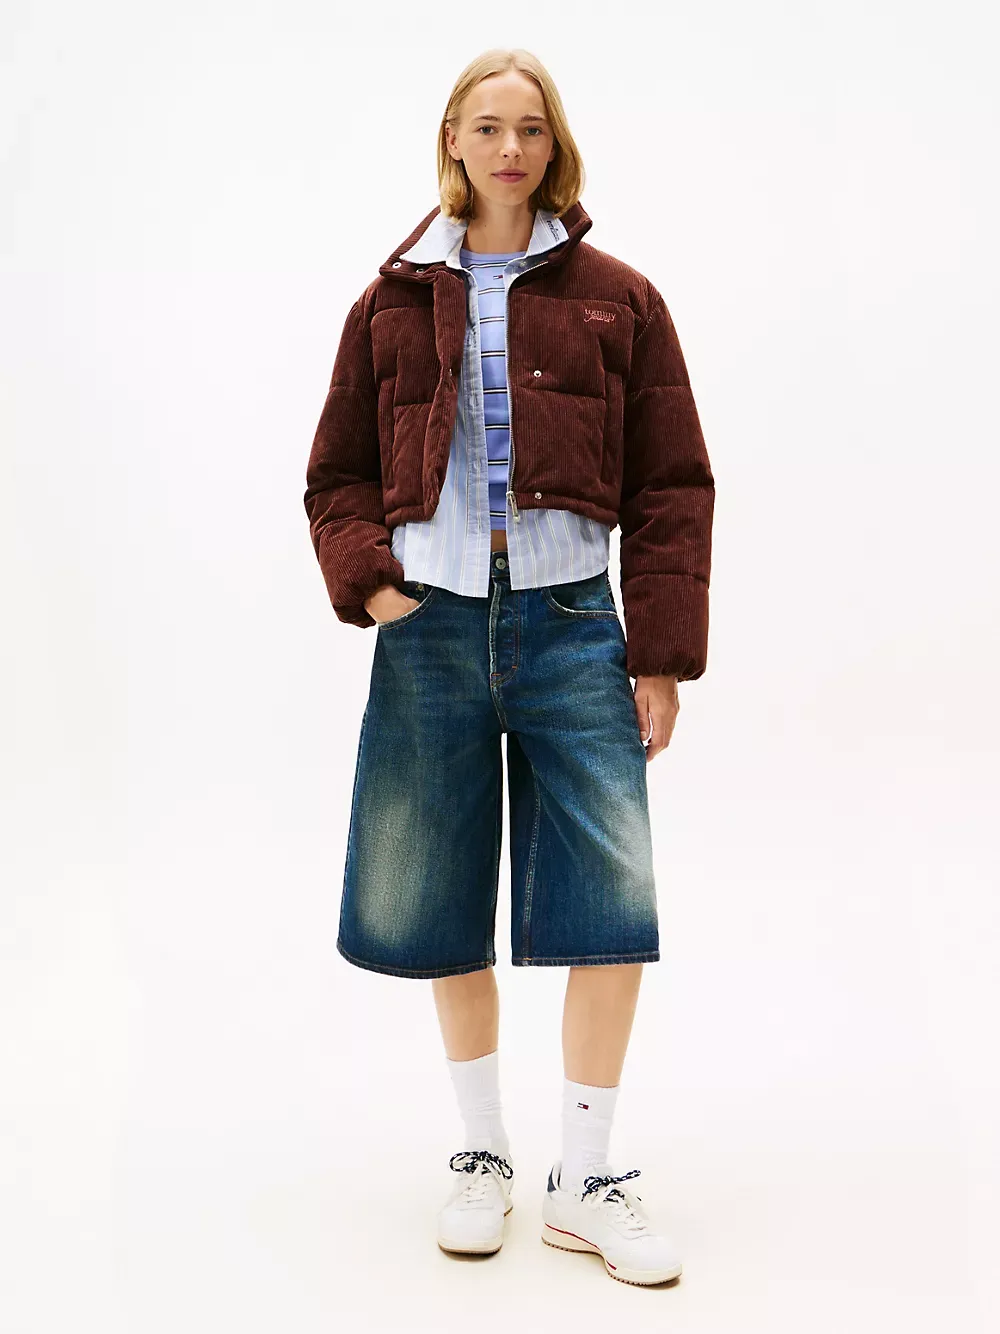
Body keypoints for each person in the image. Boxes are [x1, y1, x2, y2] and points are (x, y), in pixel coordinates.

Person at [303, 47, 714, 1287]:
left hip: (573, 623)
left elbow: (671, 484)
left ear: (554, 143)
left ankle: (584, 1176)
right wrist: (372, 579)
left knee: (610, 895)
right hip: (428, 628)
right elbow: (335, 475)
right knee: (434, 897)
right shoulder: (388, 301)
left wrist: (662, 656)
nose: (510, 148)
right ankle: (481, 1152)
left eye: (530, 127)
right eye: (487, 126)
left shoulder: (619, 298)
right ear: (453, 139)